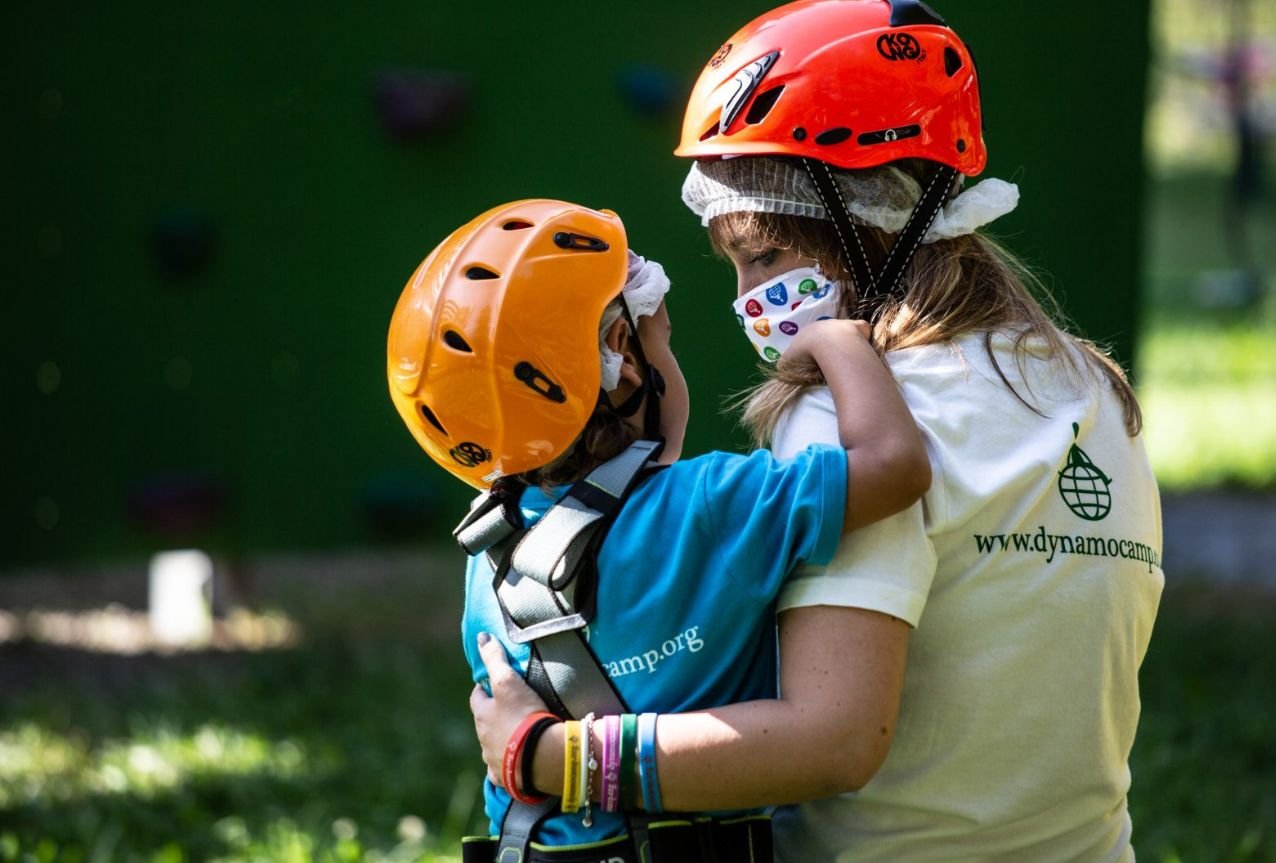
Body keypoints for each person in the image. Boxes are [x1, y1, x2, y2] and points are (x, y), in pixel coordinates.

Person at [469, 2, 1165, 861]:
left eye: (764, 256)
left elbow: (835, 740)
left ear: (869, 222)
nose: (745, 301)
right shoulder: (1093, 388)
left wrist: (551, 755)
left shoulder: (846, 413)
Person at [385, 197, 930, 861]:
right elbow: (895, 466)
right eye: (661, 339)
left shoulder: (487, 551)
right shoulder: (715, 505)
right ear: (621, 352)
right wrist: (839, 342)